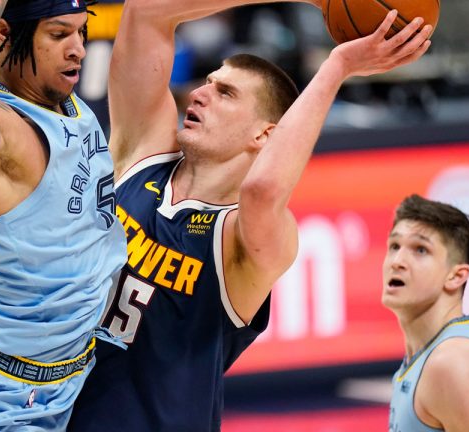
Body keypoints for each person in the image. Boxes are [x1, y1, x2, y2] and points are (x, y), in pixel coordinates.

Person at [68, 1, 434, 430]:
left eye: (225, 93)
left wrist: (338, 67)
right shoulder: (142, 155)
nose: (199, 92)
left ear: (265, 134)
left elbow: (261, 191)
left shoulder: (239, 239)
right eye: (208, 82)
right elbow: (146, 11)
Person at [0, 0, 127, 430]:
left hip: (73, 379)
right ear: (3, 35)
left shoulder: (67, 102)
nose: (78, 50)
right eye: (58, 35)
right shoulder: (6, 128)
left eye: (80, 33)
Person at [384, 194, 469, 431]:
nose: (397, 261)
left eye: (420, 250)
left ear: (456, 276)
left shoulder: (456, 361)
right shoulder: (422, 359)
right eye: (395, 246)